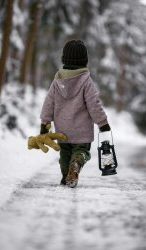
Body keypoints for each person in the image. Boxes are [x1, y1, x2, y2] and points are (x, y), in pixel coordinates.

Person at [40, 40, 111, 188]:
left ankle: (66, 176)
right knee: (82, 151)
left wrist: (44, 123)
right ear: (84, 60)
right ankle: (76, 163)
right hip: (81, 130)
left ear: (64, 58)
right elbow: (94, 104)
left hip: (62, 129)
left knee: (64, 153)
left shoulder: (57, 80)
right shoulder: (86, 81)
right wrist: (103, 123)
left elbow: (49, 103)